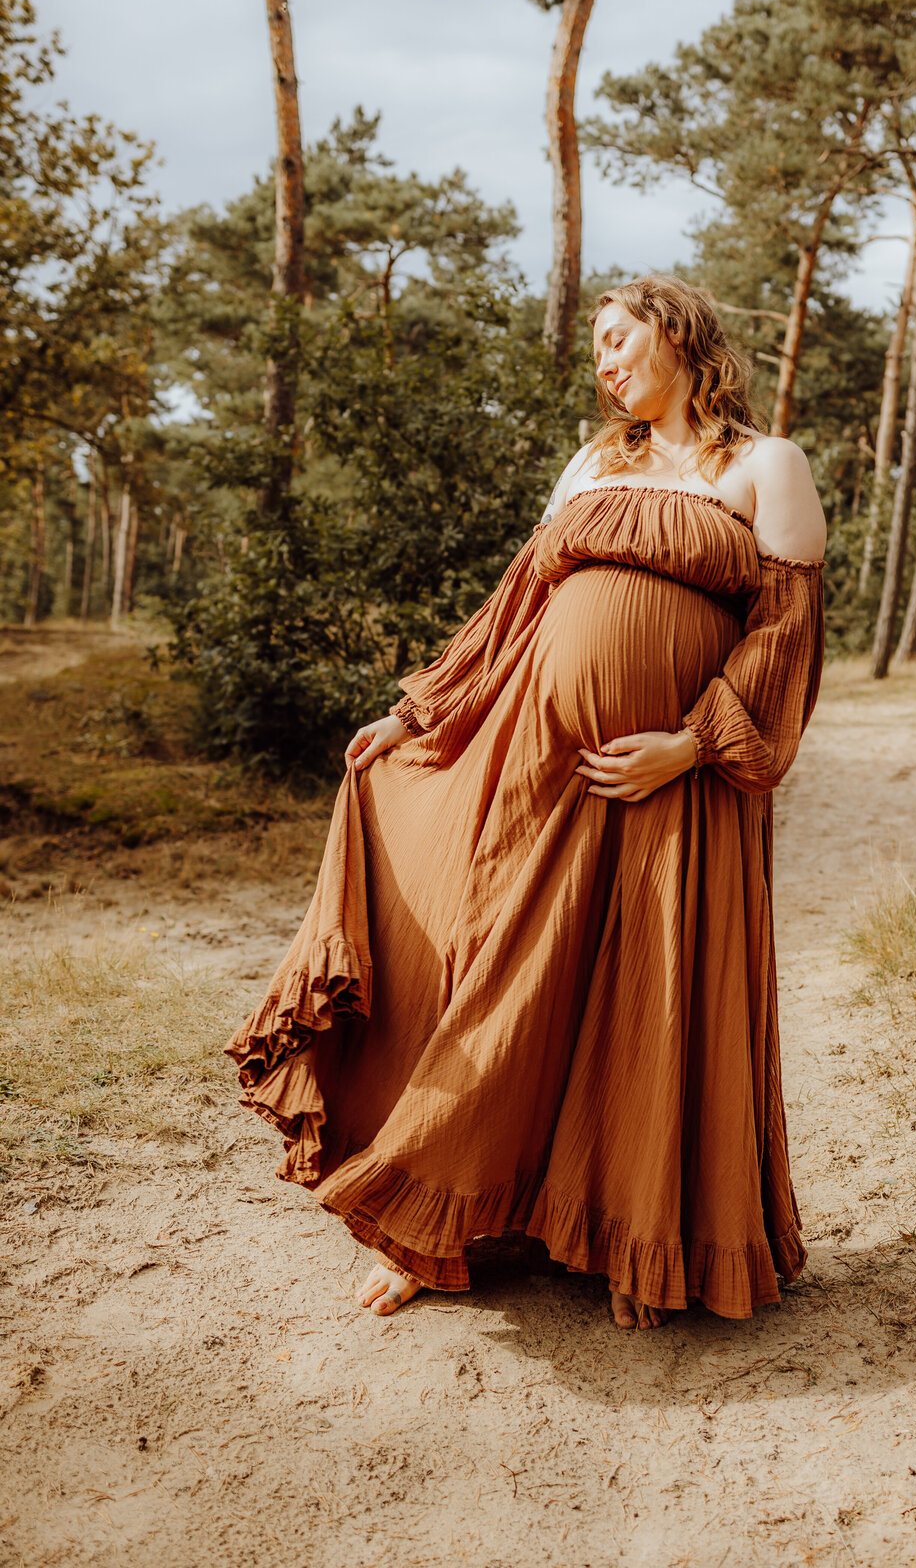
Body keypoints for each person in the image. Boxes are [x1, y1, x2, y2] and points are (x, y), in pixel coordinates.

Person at [227, 273, 826, 1332]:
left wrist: (689, 746)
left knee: (647, 998)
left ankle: (625, 1223)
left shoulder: (767, 465)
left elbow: (785, 635)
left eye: (616, 338)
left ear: (678, 335)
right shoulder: (594, 464)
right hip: (536, 759)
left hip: (674, 784)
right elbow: (516, 612)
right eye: (595, 346)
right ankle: (431, 1218)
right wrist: (416, 718)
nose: (601, 361)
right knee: (502, 972)